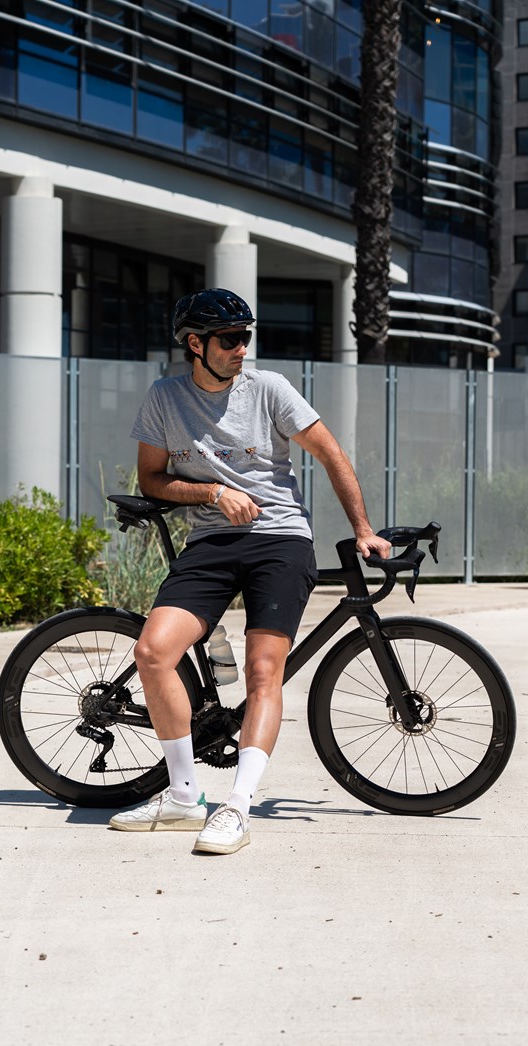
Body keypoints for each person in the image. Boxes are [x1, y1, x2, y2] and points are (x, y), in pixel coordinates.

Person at [109, 288, 390, 852]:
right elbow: (152, 480)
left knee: (265, 671)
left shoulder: (270, 390)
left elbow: (331, 454)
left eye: (246, 337)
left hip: (280, 539)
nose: (242, 348)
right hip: (211, 541)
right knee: (153, 652)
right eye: (230, 339)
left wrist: (363, 529)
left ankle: (236, 807)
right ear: (195, 344)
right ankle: (183, 798)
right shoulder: (165, 398)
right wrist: (213, 492)